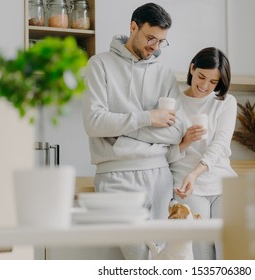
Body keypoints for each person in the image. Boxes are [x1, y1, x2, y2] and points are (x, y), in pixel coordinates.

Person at [81, 2, 183, 260]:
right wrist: (149, 118)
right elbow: (94, 123)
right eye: (151, 38)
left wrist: (120, 128)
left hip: (160, 177)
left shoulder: (164, 73)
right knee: (140, 261)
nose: (155, 47)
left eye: (161, 42)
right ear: (133, 27)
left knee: (164, 261)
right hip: (117, 176)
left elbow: (175, 132)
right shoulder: (99, 64)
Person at [168, 47, 238, 260]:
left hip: (223, 183)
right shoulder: (173, 103)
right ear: (192, 68)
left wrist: (195, 174)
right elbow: (164, 154)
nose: (205, 86)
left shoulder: (225, 103)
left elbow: (219, 145)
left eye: (213, 82)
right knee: (201, 253)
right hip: (187, 188)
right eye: (201, 77)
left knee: (231, 251)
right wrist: (184, 142)